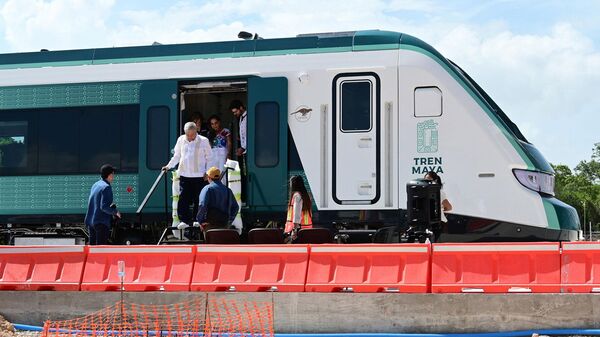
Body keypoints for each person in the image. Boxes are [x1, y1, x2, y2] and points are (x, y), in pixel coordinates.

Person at [163, 122, 212, 227]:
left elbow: (210, 158)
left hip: (200, 176)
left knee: (199, 199)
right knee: (183, 199)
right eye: (188, 135)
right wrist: (168, 166)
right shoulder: (181, 140)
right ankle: (184, 221)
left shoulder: (204, 141)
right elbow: (177, 156)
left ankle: (197, 220)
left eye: (192, 135)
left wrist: (208, 172)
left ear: (196, 132)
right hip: (185, 175)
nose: (190, 137)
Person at [84, 164, 121, 245]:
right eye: (113, 174)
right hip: (101, 222)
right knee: (100, 249)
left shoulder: (95, 185)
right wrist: (115, 212)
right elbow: (104, 207)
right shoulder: (106, 187)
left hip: (91, 221)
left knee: (92, 248)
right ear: (110, 175)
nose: (113, 176)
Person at [197, 166, 239, 232]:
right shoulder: (228, 190)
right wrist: (229, 220)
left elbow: (202, 205)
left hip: (209, 224)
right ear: (219, 177)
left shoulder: (207, 189)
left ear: (209, 178)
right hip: (224, 224)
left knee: (211, 241)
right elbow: (235, 207)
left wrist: (200, 221)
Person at [284, 175, 313, 241]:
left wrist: (294, 230)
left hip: (298, 231)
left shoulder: (297, 196)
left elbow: (296, 214)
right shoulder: (306, 196)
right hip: (306, 230)